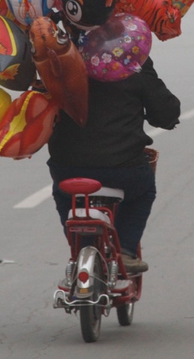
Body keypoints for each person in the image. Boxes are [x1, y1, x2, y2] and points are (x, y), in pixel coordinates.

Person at [47, 56, 181, 273]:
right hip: (125, 168)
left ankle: (80, 249)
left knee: (63, 194)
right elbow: (164, 111)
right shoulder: (131, 57)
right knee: (143, 192)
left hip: (68, 169)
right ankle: (126, 250)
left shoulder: (57, 57)